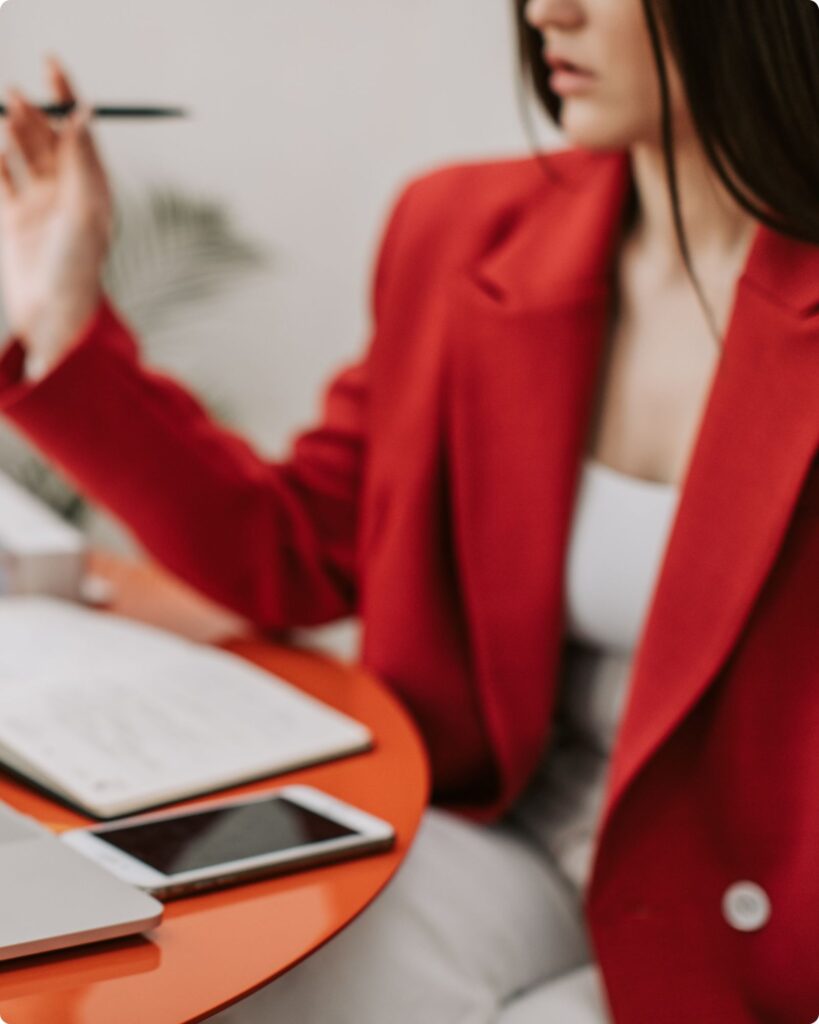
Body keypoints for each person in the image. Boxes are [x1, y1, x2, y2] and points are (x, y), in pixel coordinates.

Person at [0, 0, 817, 1019]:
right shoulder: (460, 231)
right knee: (184, 984)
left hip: (764, 913)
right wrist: (64, 309)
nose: (542, 11)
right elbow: (291, 547)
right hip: (498, 833)